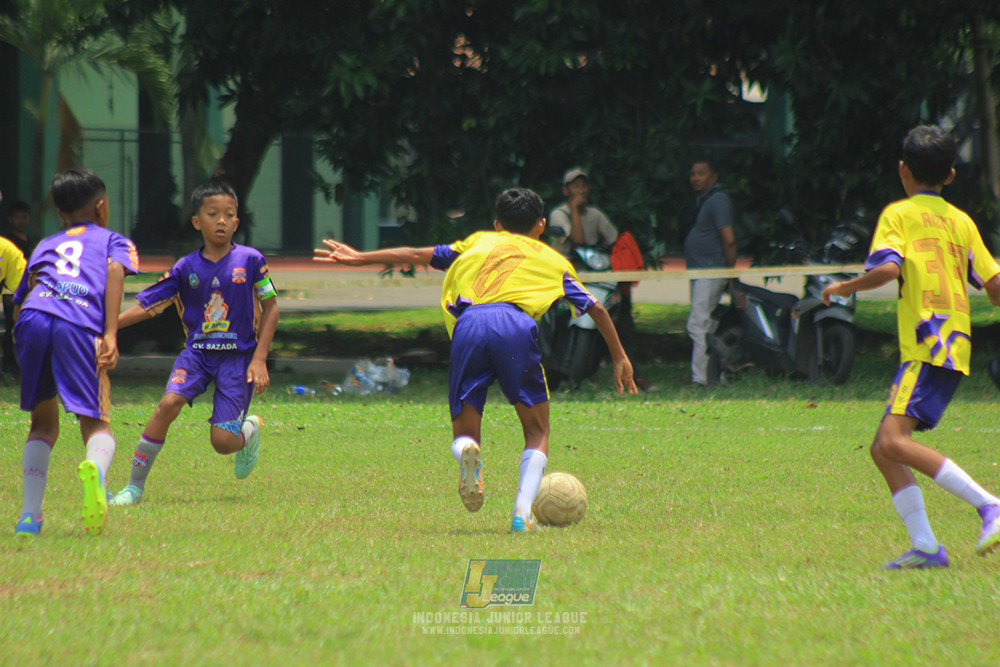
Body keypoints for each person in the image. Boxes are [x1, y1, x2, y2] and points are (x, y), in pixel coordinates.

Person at [315, 187, 638, 533]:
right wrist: (619, 356)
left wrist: (359, 256)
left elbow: (415, 253)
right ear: (542, 225)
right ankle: (521, 514)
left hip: (469, 324)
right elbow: (597, 308)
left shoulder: (478, 242)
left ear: (498, 225)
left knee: (466, 432)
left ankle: (468, 450)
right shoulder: (554, 261)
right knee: (537, 429)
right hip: (514, 323)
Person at [823, 125, 1000, 569]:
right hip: (954, 346)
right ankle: (925, 546)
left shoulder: (898, 214)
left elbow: (885, 271)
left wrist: (846, 286)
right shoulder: (963, 222)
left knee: (892, 441)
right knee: (882, 449)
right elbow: (995, 286)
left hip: (927, 346)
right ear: (951, 175)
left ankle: (989, 506)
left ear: (903, 170)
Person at [108, 181, 279, 506]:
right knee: (167, 404)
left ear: (237, 222)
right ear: (197, 221)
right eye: (213, 214)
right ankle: (134, 488)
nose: (221, 221)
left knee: (222, 443)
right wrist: (108, 328)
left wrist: (259, 359)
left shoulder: (252, 260)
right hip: (196, 356)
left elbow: (271, 307)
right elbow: (148, 305)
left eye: (229, 215)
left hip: (238, 360)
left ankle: (249, 432)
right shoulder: (186, 267)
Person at [12, 168, 139, 537]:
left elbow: (26, 292)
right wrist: (110, 333)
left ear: (60, 213)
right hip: (75, 322)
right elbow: (115, 270)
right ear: (101, 207)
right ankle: (95, 474)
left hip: (34, 318)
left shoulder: (45, 243)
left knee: (42, 424)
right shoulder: (114, 240)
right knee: (97, 423)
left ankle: (29, 517)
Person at [684, 158, 737, 386]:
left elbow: (729, 241)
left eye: (701, 173)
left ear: (714, 177)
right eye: (693, 173)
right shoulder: (705, 200)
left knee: (697, 325)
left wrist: (729, 274)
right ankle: (717, 373)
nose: (695, 178)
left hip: (710, 272)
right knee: (708, 325)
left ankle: (702, 379)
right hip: (702, 272)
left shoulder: (717, 200)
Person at [547, 168, 618, 258]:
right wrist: (574, 208)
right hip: (565, 262)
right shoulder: (558, 214)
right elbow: (578, 240)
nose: (581, 191)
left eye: (584, 186)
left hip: (592, 261)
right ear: (565, 190)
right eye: (576, 186)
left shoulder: (595, 213)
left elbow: (614, 240)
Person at [2, 201, 34, 375]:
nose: (21, 221)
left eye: (24, 217)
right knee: (11, 326)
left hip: (29, 289)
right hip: (12, 289)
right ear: (10, 219)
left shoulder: (31, 241)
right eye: (17, 217)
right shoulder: (7, 242)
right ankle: (9, 364)